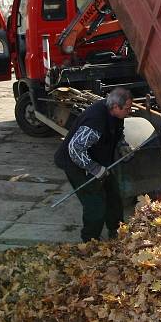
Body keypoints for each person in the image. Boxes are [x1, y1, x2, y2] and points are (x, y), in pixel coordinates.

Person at [54, 87, 133, 241]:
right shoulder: (95, 121)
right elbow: (75, 149)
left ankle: (117, 232)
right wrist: (94, 168)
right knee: (95, 205)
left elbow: (118, 132)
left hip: (100, 160)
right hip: (76, 164)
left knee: (113, 198)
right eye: (127, 108)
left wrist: (123, 146)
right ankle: (90, 243)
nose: (129, 112)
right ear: (116, 107)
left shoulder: (117, 114)